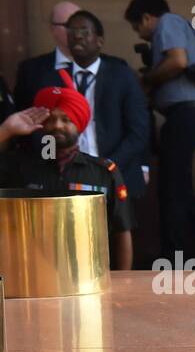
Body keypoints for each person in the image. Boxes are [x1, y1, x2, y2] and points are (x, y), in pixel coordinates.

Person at [19, 10, 152, 209]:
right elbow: (39, 129)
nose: (77, 36)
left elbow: (139, 131)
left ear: (100, 41)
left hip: (115, 174)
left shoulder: (122, 76)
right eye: (72, 31)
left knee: (118, 237)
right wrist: (51, 163)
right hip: (64, 177)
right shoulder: (50, 79)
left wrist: (107, 167)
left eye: (84, 31)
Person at [124, 0, 195, 264]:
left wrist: (146, 81)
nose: (141, 35)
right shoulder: (181, 26)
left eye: (137, 28)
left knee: (178, 193)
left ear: (147, 17)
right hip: (188, 120)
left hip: (185, 121)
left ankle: (180, 259)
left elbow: (177, 61)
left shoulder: (168, 23)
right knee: (188, 189)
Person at [0, 84, 134, 270]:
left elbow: (122, 231)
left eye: (66, 119)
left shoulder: (103, 172)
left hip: (89, 278)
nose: (57, 126)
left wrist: (124, 282)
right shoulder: (21, 166)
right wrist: (6, 130)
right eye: (51, 119)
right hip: (32, 278)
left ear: (79, 125)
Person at [13, 0, 81, 110]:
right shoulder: (30, 70)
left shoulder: (112, 69)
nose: (76, 32)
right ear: (52, 29)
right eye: (68, 25)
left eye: (81, 25)